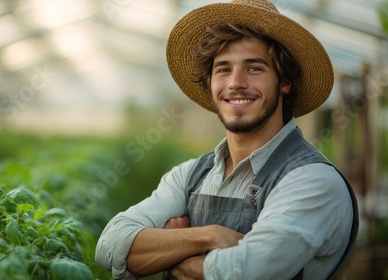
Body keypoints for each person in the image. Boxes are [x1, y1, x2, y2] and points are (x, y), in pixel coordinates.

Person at [95, 0, 359, 279]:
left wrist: (170, 254)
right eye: (223, 69)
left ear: (284, 82)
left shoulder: (312, 180)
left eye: (254, 68)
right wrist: (209, 236)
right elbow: (110, 246)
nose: (235, 83)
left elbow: (247, 272)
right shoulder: (191, 175)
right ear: (210, 84)